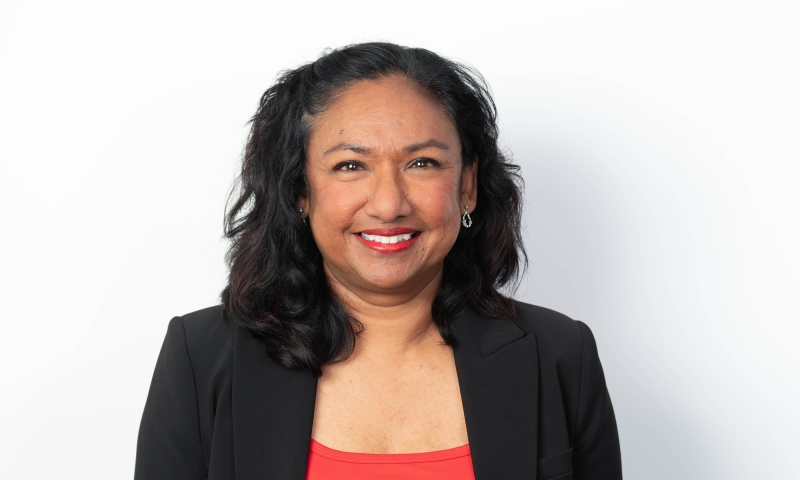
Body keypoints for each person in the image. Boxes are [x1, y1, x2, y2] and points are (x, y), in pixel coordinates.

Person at [134, 42, 622, 480]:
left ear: (467, 186)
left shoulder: (560, 355)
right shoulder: (201, 359)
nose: (389, 204)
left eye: (422, 163)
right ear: (301, 190)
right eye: (351, 165)